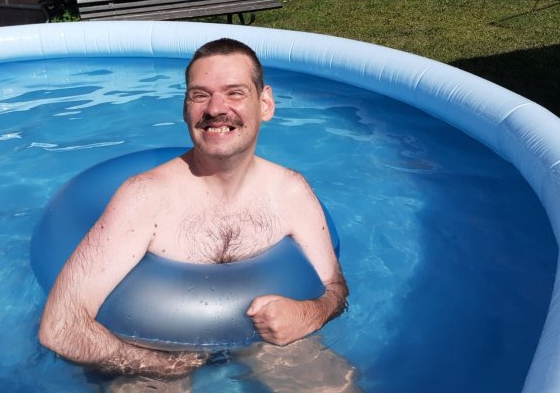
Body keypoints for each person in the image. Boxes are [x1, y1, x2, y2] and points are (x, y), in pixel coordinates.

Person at [38, 38, 350, 386]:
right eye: (200, 95)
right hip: (150, 351)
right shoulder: (144, 198)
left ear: (265, 104)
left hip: (266, 343)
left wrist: (309, 313)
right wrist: (161, 366)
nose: (216, 108)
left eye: (234, 93)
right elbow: (60, 327)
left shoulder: (291, 192)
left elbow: (335, 288)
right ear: (185, 109)